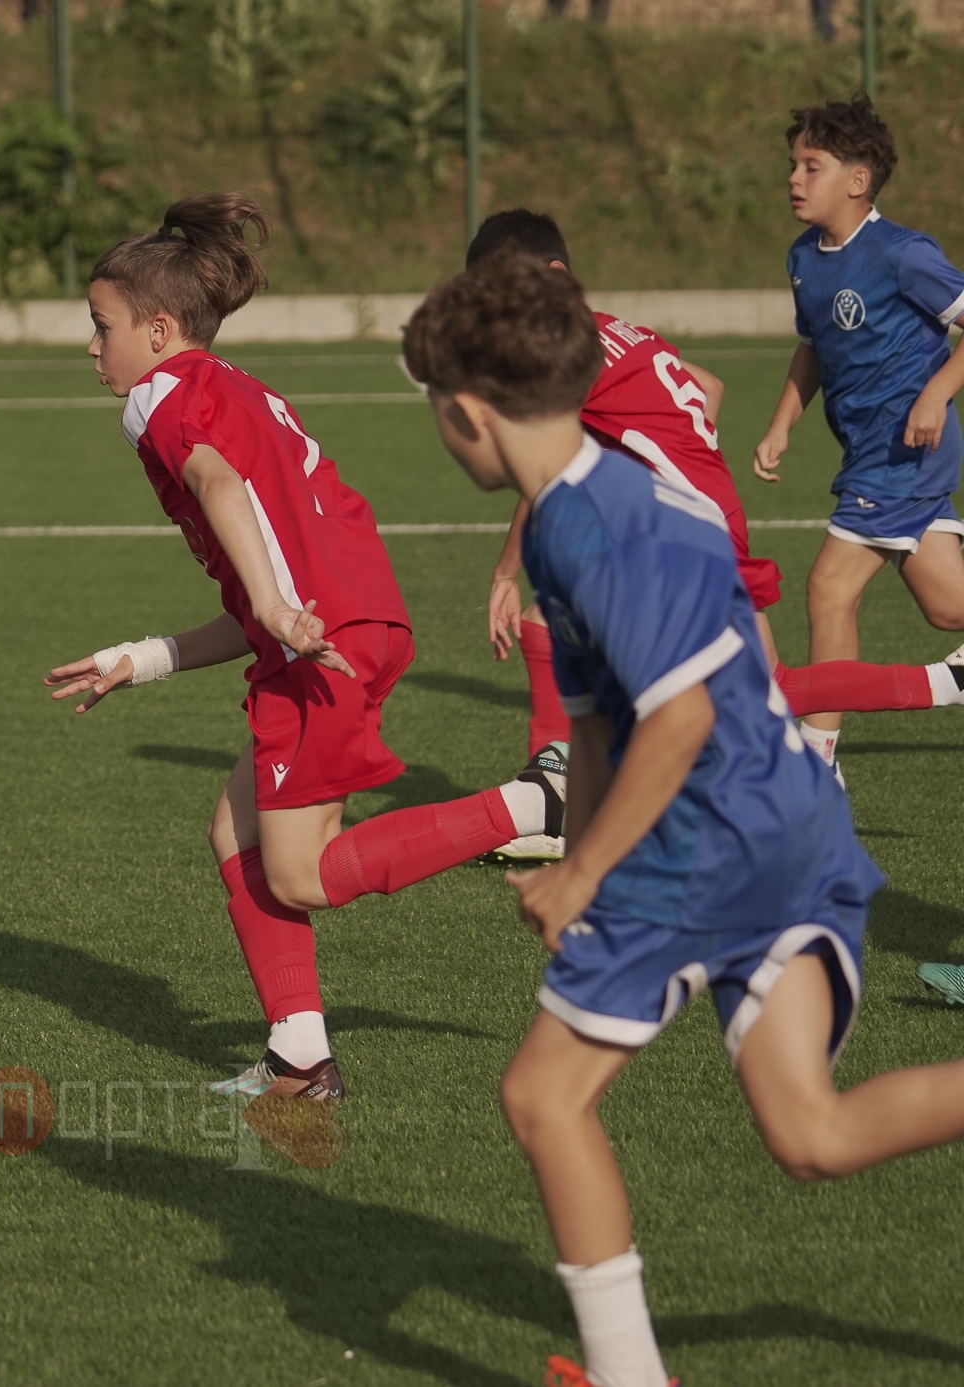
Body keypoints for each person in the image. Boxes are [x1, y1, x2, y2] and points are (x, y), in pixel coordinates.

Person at [407, 250, 964, 1387]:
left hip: (708, 837)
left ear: (469, 413)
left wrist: (582, 874)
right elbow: (602, 725)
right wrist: (584, 858)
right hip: (784, 823)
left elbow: (679, 716)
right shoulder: (605, 497)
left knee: (541, 1094)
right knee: (811, 1134)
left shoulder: (587, 526)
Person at [44, 194, 568, 1115]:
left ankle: (538, 802)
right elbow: (254, 596)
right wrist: (145, 656)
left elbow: (218, 486)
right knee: (236, 832)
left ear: (158, 331)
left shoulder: (160, 397)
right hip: (352, 620)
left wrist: (279, 610)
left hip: (320, 640)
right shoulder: (231, 385)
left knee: (301, 872)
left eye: (102, 325)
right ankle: (298, 1057)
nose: (92, 346)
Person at [473, 209, 964, 836]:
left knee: (552, 621)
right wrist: (667, 458)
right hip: (706, 515)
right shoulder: (618, 330)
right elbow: (707, 387)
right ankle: (944, 682)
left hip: (682, 530)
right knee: (765, 686)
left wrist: (504, 572)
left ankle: (554, 803)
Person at [753, 96, 964, 782]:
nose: (794, 178)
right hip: (869, 454)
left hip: (902, 456)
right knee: (948, 608)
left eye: (811, 166)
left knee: (828, 586)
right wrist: (782, 423)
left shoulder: (903, 253)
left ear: (857, 179)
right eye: (793, 165)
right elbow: (813, 347)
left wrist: (936, 392)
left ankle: (817, 761)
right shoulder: (802, 258)